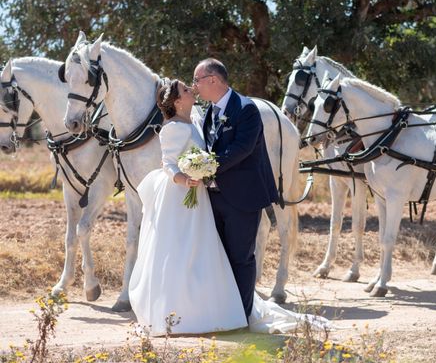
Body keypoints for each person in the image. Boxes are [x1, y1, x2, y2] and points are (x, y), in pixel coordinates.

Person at [129, 79, 329, 336]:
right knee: (181, 252)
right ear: (178, 101)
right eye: (187, 91)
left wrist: (205, 167)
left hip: (200, 196)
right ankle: (178, 310)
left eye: (192, 86)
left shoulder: (199, 117)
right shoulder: (172, 128)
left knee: (205, 253)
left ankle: (208, 307)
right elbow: (168, 163)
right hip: (181, 196)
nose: (192, 90)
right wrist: (185, 178)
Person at [192, 58, 278, 320]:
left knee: (241, 258)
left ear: (213, 80)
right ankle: (224, 311)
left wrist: (208, 167)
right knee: (220, 258)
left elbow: (242, 148)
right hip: (215, 197)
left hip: (243, 198)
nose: (194, 87)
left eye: (197, 81)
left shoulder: (246, 109)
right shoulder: (209, 111)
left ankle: (242, 315)